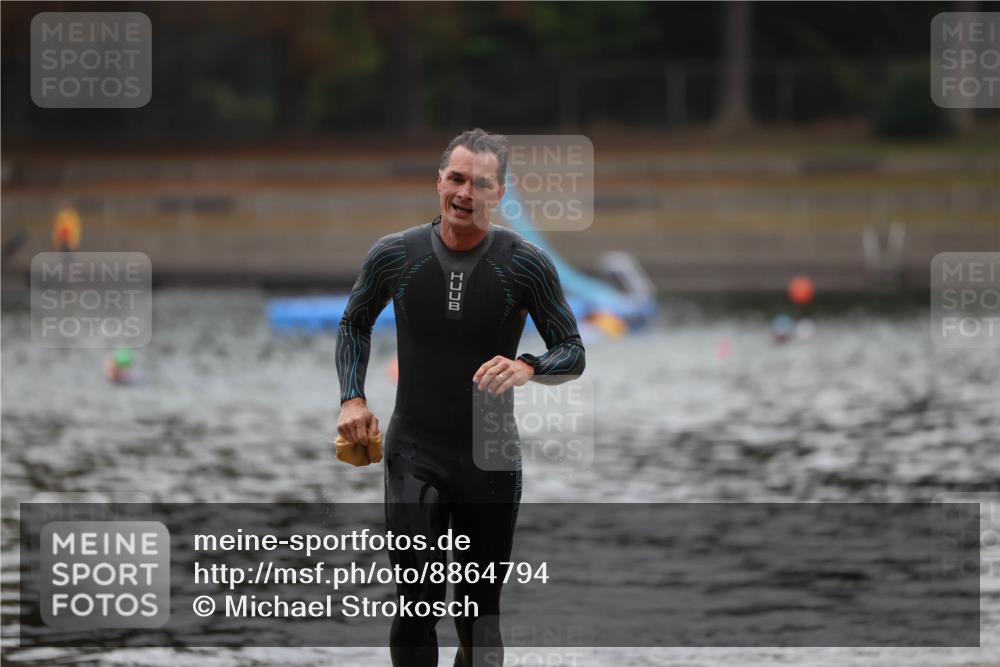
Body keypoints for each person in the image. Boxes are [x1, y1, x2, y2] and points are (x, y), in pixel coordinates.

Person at [336, 128, 585, 667]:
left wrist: (528, 366)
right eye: (456, 178)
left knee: (480, 619)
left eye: (481, 184)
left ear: (500, 194)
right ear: (439, 182)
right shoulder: (394, 256)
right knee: (413, 611)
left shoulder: (525, 264)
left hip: (489, 458)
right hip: (413, 454)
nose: (466, 193)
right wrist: (352, 398)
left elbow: (573, 350)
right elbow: (354, 323)